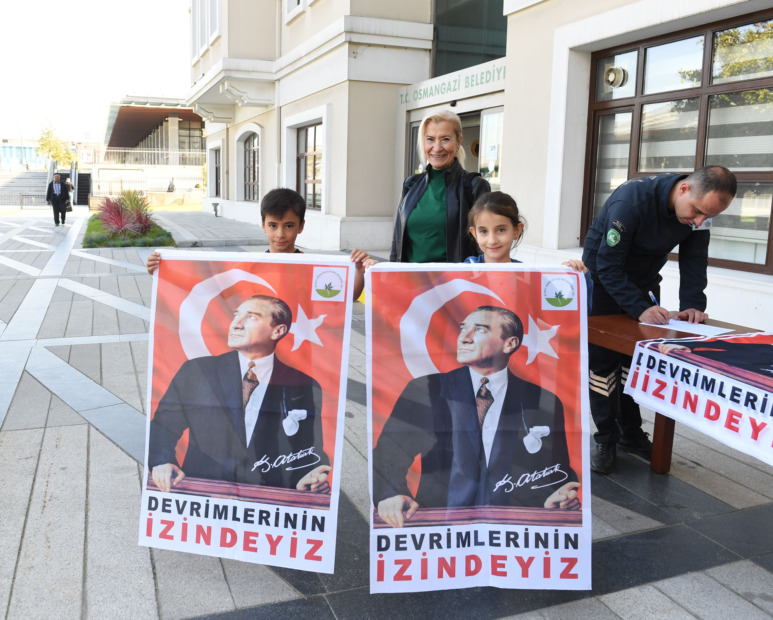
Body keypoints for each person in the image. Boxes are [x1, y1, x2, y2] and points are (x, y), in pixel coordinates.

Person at [582, 165, 737, 474]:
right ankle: (606, 438)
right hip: (602, 284)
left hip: (644, 284)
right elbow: (608, 265)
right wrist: (638, 307)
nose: (699, 221)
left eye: (708, 217)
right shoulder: (631, 202)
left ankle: (631, 433)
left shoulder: (698, 213)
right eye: (697, 212)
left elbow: (695, 261)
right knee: (603, 365)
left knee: (636, 363)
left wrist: (692, 305)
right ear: (684, 189)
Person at [372, 305, 581, 528]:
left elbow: (556, 469)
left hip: (514, 527)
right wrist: (391, 495)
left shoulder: (542, 399)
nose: (464, 338)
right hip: (441, 523)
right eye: (463, 328)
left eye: (480, 330)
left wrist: (559, 496)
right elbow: (388, 455)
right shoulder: (428, 388)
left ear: (509, 344)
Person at [148, 294, 332, 493]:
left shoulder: (303, 385)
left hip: (269, 498)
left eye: (251, 317)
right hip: (202, 493)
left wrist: (310, 477)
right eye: (236, 315)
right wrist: (162, 462)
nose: (236, 324)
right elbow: (163, 427)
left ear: (278, 331)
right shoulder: (197, 372)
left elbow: (308, 448)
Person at [147, 188, 373, 300]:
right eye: (273, 225)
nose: (281, 234)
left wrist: (360, 272)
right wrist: (163, 271)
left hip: (301, 358)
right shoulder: (251, 266)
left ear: (301, 226)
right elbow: (207, 287)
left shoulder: (312, 268)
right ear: (263, 225)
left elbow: (345, 298)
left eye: (289, 226)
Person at [389, 110, 490, 263]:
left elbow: (486, 245)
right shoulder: (410, 184)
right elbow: (397, 243)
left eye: (445, 139)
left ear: (458, 142)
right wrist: (390, 272)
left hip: (453, 277)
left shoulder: (475, 186)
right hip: (410, 277)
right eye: (430, 139)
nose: (437, 148)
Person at [464, 191, 593, 307]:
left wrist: (575, 278)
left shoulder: (530, 277)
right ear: (474, 233)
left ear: (517, 231)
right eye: (483, 231)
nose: (492, 240)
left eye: (501, 230)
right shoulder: (463, 273)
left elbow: (567, 314)